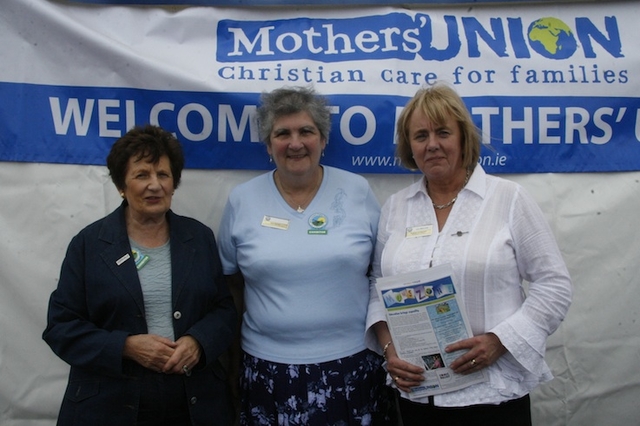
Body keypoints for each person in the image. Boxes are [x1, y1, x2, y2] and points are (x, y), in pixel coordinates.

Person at [365, 83, 572, 426]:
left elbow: (555, 284)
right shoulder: (395, 208)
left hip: (494, 396)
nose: (432, 144)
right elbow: (377, 285)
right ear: (409, 147)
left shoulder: (509, 198)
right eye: (420, 136)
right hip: (419, 393)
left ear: (463, 137)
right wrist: (390, 350)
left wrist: (500, 341)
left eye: (443, 132)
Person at [217, 86, 390, 425]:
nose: (295, 143)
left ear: (323, 139)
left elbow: (381, 272)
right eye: (282, 133)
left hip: (352, 366)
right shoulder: (242, 200)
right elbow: (229, 282)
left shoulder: (357, 191)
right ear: (268, 145)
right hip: (267, 370)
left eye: (306, 131)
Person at [43, 124, 237, 426]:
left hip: (192, 403)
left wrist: (198, 341)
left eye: (163, 174)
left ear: (174, 183)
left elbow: (224, 310)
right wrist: (126, 346)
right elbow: (61, 327)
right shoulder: (89, 245)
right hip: (108, 405)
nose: (155, 185)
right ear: (122, 185)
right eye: (142, 175)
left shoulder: (198, 238)